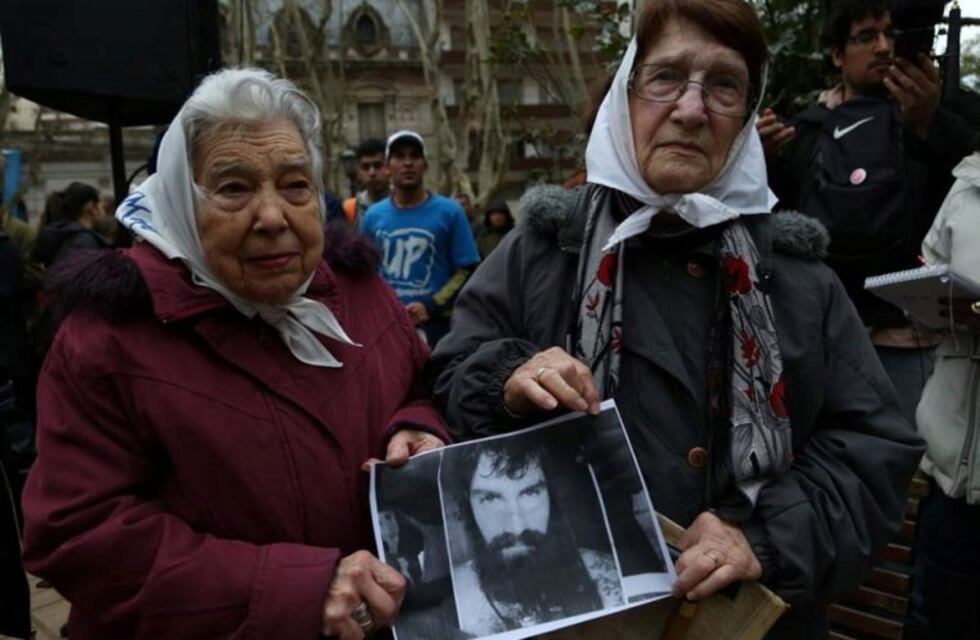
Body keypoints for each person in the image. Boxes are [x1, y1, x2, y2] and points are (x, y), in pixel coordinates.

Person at [429, 0, 924, 637]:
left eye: (723, 86)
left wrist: (762, 534)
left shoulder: (798, 277)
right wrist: (508, 375)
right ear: (624, 96)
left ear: (746, 118)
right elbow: (448, 376)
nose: (691, 111)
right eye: (665, 78)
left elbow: (873, 450)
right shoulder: (542, 252)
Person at [21, 68, 450, 639]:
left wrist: (416, 425)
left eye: (295, 184)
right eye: (234, 189)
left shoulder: (360, 290)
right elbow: (78, 535)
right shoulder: (107, 337)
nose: (272, 217)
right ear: (179, 200)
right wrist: (298, 589)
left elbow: (416, 384)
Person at [759, 0, 980, 426]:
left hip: (913, 341)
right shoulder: (806, 131)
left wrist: (931, 124)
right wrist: (758, 161)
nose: (883, 47)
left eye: (891, 34)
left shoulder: (948, 110)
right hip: (827, 336)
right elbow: (778, 222)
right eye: (865, 37)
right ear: (837, 54)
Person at [442, 439, 623, 636]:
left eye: (530, 493)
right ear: (468, 506)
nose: (517, 527)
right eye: (490, 498)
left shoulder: (610, 576)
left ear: (550, 497)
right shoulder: (452, 600)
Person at [909, 152, 980, 638]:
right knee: (936, 621)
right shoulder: (969, 180)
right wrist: (931, 300)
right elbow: (930, 271)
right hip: (953, 473)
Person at [360, 130, 480, 346]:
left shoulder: (450, 212)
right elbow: (363, 272)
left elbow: (467, 269)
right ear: (387, 167)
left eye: (415, 156)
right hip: (387, 328)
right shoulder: (372, 215)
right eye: (399, 156)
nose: (408, 163)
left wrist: (431, 306)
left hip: (439, 331)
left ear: (425, 165)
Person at [33, 181, 112, 267]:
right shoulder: (85, 242)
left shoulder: (61, 235)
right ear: (91, 208)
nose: (104, 212)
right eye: (101, 206)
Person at [343, 138, 390, 227]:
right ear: (358, 172)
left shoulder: (404, 205)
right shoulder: (350, 209)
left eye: (378, 166)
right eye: (365, 167)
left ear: (389, 167)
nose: (372, 173)